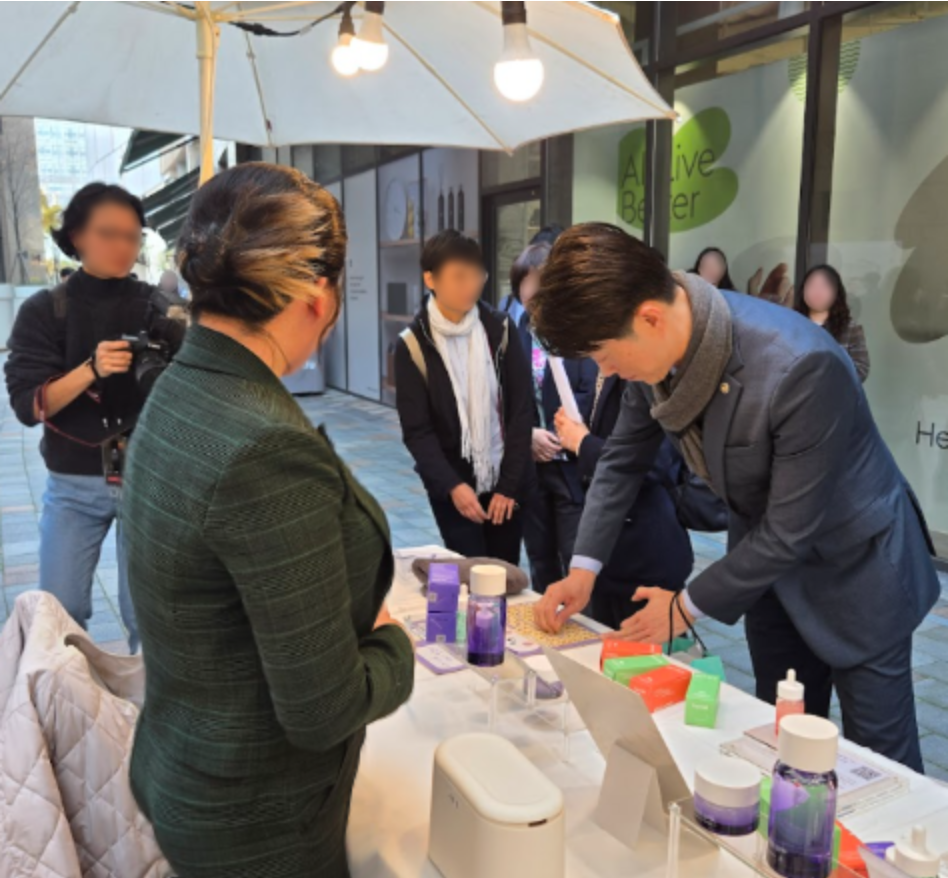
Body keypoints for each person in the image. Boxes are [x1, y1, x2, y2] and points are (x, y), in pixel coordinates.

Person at [532, 223, 940, 772]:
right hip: (767, 577)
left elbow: (789, 529)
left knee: (881, 761)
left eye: (604, 354)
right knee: (785, 738)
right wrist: (584, 570)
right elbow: (621, 461)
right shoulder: (657, 359)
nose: (605, 370)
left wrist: (682, 608)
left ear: (649, 318)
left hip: (857, 572)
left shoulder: (799, 365)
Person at [123, 163, 415, 877]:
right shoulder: (264, 446)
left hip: (185, 762)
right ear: (318, 295)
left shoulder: (182, 385)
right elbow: (322, 710)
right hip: (258, 823)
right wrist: (395, 647)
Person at [4, 183, 184, 653]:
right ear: (76, 236)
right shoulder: (45, 310)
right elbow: (28, 406)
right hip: (72, 485)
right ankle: (67, 694)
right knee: (59, 613)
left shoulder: (159, 307)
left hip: (147, 479)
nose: (123, 246)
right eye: (108, 233)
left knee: (149, 616)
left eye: (133, 236)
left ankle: (148, 699)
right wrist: (91, 369)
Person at [395, 230, 533, 566]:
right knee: (469, 571)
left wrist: (508, 486)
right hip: (452, 485)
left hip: (506, 478)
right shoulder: (413, 345)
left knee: (503, 572)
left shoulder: (500, 330)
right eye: (459, 276)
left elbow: (521, 410)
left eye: (476, 275)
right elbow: (418, 431)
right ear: (431, 279)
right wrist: (453, 486)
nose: (470, 285)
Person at [554, 378, 695, 630]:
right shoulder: (606, 371)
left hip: (645, 552)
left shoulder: (648, 377)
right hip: (607, 552)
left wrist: (583, 443)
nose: (604, 365)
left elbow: (654, 463)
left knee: (642, 646)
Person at [515, 243, 598, 592]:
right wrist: (529, 434)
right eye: (522, 285)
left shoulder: (580, 330)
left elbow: (590, 394)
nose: (528, 295)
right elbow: (509, 394)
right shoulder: (520, 328)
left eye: (535, 286)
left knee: (575, 556)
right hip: (533, 464)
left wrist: (557, 434)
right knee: (540, 556)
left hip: (572, 465)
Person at [796, 264, 870, 383]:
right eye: (811, 285)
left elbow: (861, 370)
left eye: (824, 286)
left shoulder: (850, 328)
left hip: (834, 392)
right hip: (798, 393)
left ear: (836, 292)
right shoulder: (793, 323)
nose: (817, 291)